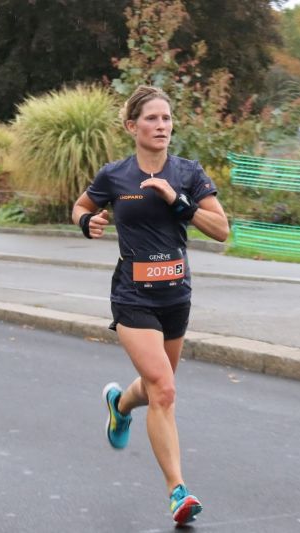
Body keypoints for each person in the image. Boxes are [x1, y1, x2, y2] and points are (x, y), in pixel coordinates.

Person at [71, 85, 229, 526]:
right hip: (132, 295)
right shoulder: (115, 176)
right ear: (131, 127)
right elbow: (81, 206)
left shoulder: (188, 173)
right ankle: (178, 491)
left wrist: (178, 203)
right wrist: (89, 221)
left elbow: (221, 230)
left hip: (176, 296)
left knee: (155, 386)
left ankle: (120, 405)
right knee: (164, 388)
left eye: (167, 118)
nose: (162, 126)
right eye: (152, 119)